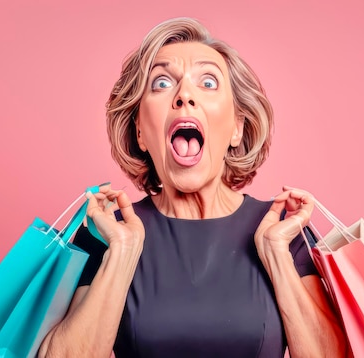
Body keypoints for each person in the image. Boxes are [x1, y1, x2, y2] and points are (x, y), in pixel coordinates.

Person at [39, 17, 347, 357]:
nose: (185, 95)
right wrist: (120, 256)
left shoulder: (285, 234)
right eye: (161, 83)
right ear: (140, 131)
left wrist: (277, 257)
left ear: (236, 129)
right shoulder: (108, 233)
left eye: (208, 82)